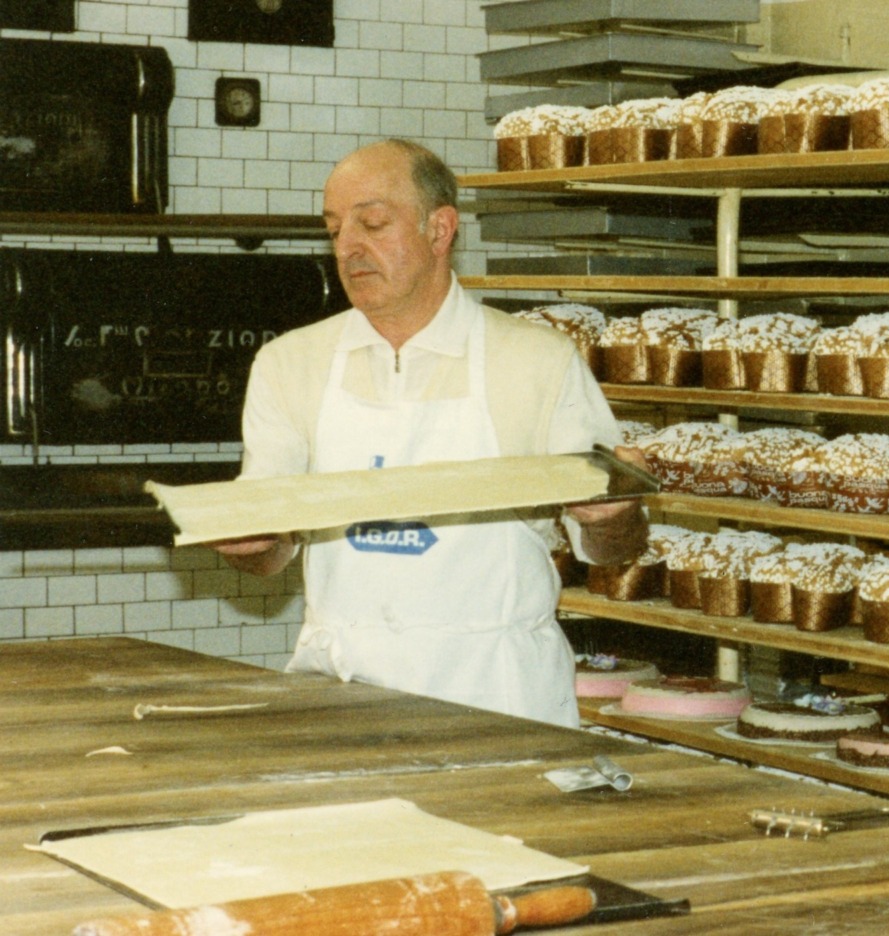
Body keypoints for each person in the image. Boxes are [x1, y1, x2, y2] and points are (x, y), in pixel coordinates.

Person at [212, 139, 648, 728]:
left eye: (372, 223)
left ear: (440, 230)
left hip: (497, 696)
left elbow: (613, 552)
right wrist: (251, 543)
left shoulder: (536, 361)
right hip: (343, 691)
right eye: (335, 229)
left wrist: (613, 517)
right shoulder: (290, 363)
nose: (348, 248)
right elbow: (273, 553)